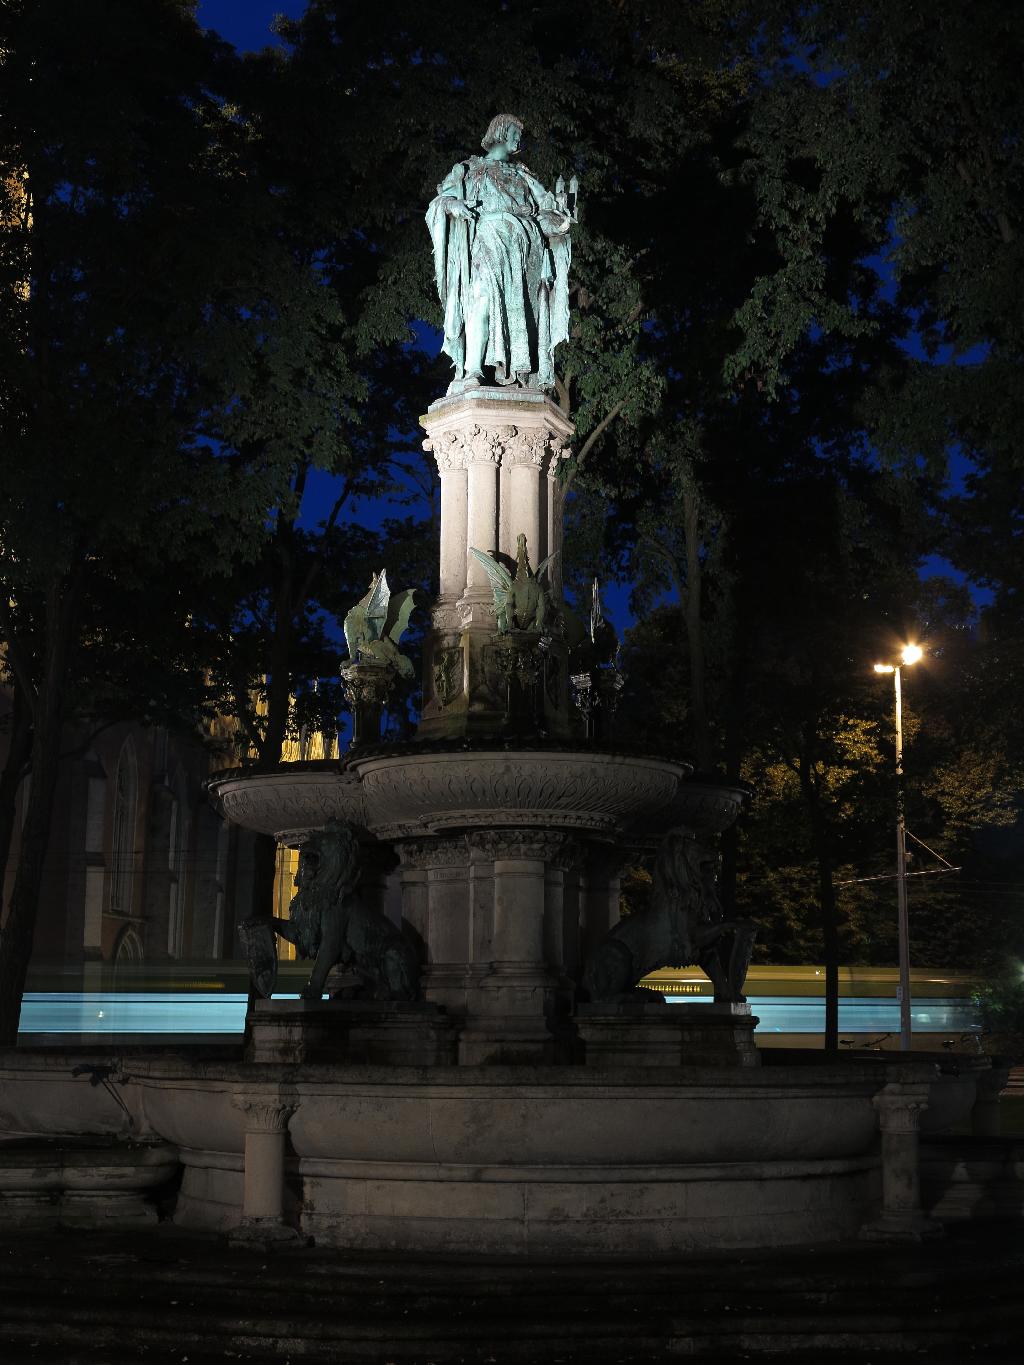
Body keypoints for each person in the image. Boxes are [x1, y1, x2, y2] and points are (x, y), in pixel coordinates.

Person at [426, 114, 575, 394]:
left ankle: (518, 374)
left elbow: (544, 216)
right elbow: (441, 200)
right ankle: (472, 370)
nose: (519, 140)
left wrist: (559, 225)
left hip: (525, 250)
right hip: (489, 238)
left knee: (524, 312)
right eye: (515, 133)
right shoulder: (469, 169)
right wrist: (452, 205)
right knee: (480, 297)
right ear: (501, 132)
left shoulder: (524, 176)